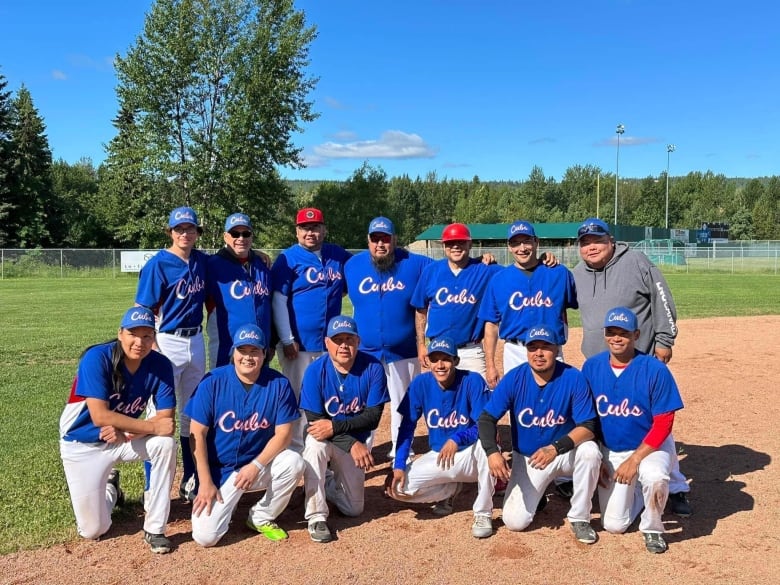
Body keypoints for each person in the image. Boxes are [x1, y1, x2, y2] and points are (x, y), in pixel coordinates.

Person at [572, 217, 691, 516]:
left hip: (641, 358)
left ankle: (675, 487)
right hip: (598, 365)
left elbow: (662, 298)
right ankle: (597, 470)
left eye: (597, 241)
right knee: (605, 418)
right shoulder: (576, 274)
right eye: (585, 243)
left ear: (611, 241)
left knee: (658, 421)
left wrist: (664, 339)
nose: (591, 247)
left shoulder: (636, 261)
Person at [59, 307, 177, 554]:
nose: (140, 342)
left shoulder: (161, 364)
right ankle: (111, 487)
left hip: (123, 439)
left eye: (147, 336)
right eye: (133, 334)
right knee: (93, 530)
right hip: (82, 444)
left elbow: (166, 421)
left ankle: (155, 528)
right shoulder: (97, 357)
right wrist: (149, 426)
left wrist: (130, 433)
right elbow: (100, 415)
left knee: (165, 444)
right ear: (120, 333)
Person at [477, 326, 601, 543]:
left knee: (590, 452)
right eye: (533, 347)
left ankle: (580, 517)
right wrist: (492, 452)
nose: (539, 353)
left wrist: (555, 448)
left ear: (556, 349)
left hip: (564, 453)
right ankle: (539, 495)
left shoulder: (573, 377)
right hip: (530, 459)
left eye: (546, 347)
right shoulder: (515, 378)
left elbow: (588, 426)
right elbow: (487, 418)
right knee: (515, 522)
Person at [186, 324, 304, 547]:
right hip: (220, 469)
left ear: (265, 354)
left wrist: (256, 465)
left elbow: (284, 434)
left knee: (294, 462)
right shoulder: (212, 381)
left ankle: (260, 516)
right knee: (206, 538)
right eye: (243, 350)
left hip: (257, 464)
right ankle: (216, 498)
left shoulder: (278, 384)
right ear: (233, 353)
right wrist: (205, 481)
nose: (248, 357)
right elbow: (196, 435)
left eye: (254, 351)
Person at [581, 307, 685, 554]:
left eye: (623, 333)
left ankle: (653, 528)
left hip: (650, 447)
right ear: (605, 334)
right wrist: (598, 457)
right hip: (611, 449)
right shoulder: (592, 367)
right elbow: (586, 418)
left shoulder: (654, 369)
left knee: (655, 477)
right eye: (611, 332)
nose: (616, 338)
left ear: (636, 334)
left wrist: (635, 460)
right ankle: (639, 490)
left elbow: (664, 423)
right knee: (614, 524)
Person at [386, 337, 495, 538]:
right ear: (428, 361)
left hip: (470, 455)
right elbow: (407, 427)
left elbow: (484, 426)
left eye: (445, 359)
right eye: (435, 360)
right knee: (397, 489)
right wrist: (399, 464)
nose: (440, 365)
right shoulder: (421, 383)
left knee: (486, 445)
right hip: (441, 456)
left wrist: (458, 438)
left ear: (455, 360)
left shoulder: (472, 380)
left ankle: (483, 512)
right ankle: (449, 490)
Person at [135, 206, 207, 503]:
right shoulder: (158, 265)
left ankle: (190, 478)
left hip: (196, 340)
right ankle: (154, 487)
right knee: (160, 413)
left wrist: (261, 257)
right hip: (167, 341)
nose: (185, 234)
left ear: (197, 232)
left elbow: (232, 261)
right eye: (179, 229)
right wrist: (151, 347)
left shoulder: (202, 260)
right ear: (170, 232)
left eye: (190, 229)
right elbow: (143, 310)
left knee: (194, 413)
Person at [344, 216, 432, 457]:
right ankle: (362, 447)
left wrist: (480, 260)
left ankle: (402, 449)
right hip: (365, 350)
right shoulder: (352, 265)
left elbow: (451, 266)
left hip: (404, 349)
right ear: (368, 240)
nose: (380, 244)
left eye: (385, 238)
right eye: (375, 239)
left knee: (404, 402)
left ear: (394, 240)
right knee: (362, 403)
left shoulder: (416, 263)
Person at [300, 316, 389, 543]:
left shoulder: (373, 368)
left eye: (349, 339)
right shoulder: (314, 371)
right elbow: (315, 421)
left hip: (353, 440)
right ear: (327, 342)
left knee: (353, 509)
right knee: (314, 446)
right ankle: (316, 516)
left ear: (358, 341)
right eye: (338, 340)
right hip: (329, 439)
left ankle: (326, 482)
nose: (343, 346)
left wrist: (339, 430)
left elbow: (372, 418)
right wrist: (351, 442)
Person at [271, 207, 352, 452]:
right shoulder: (288, 259)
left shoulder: (337, 255)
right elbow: (278, 300)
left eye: (315, 227)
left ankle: (323, 455)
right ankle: (295, 452)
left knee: (329, 399)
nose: (310, 232)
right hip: (299, 345)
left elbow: (357, 276)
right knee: (298, 399)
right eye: (305, 228)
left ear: (324, 229)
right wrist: (287, 339)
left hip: (331, 345)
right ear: (297, 232)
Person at [479, 220, 577, 388]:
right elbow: (491, 325)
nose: (522, 248)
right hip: (515, 351)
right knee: (517, 404)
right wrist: (490, 365)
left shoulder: (559, 273)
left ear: (536, 242)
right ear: (509, 247)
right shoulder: (499, 280)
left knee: (556, 404)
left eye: (526, 241)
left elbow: (573, 304)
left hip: (550, 349)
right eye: (515, 243)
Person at [411, 223, 503, 377]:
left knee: (477, 397)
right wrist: (421, 345)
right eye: (450, 243)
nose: (455, 246)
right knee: (442, 398)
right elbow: (421, 310)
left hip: (471, 351)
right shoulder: (431, 271)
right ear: (444, 245)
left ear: (470, 244)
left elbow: (519, 271)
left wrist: (542, 259)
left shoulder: (484, 270)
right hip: (438, 351)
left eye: (461, 242)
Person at [206, 212, 272, 369]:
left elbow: (272, 306)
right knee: (223, 389)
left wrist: (272, 342)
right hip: (226, 347)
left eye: (246, 233)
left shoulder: (262, 265)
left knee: (260, 391)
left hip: (259, 346)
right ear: (225, 237)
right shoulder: (212, 265)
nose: (241, 238)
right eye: (235, 233)